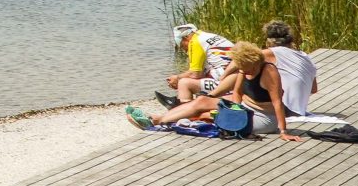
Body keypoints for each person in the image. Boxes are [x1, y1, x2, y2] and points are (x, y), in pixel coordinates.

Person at [129, 41, 301, 140]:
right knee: (202, 102)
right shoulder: (244, 69)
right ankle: (158, 120)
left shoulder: (268, 72)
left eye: (243, 66)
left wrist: (283, 132)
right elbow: (238, 93)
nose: (241, 69)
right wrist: (235, 108)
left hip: (264, 117)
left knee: (207, 115)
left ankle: (161, 121)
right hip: (246, 109)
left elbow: (278, 102)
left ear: (252, 61)